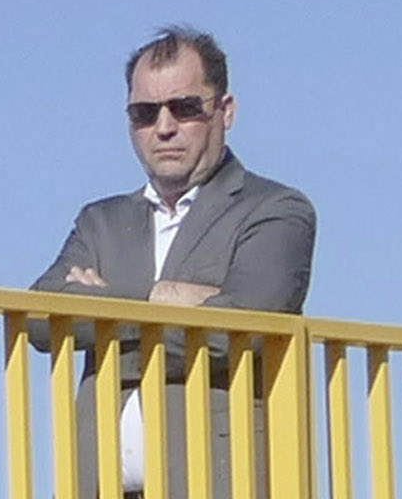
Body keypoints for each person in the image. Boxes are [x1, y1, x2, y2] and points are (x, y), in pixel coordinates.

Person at [33, 25, 314, 313]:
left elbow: (247, 329)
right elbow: (40, 317)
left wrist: (102, 300)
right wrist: (167, 296)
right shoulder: (101, 222)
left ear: (226, 111)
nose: (164, 128)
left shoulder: (275, 209)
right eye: (145, 113)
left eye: (185, 108)